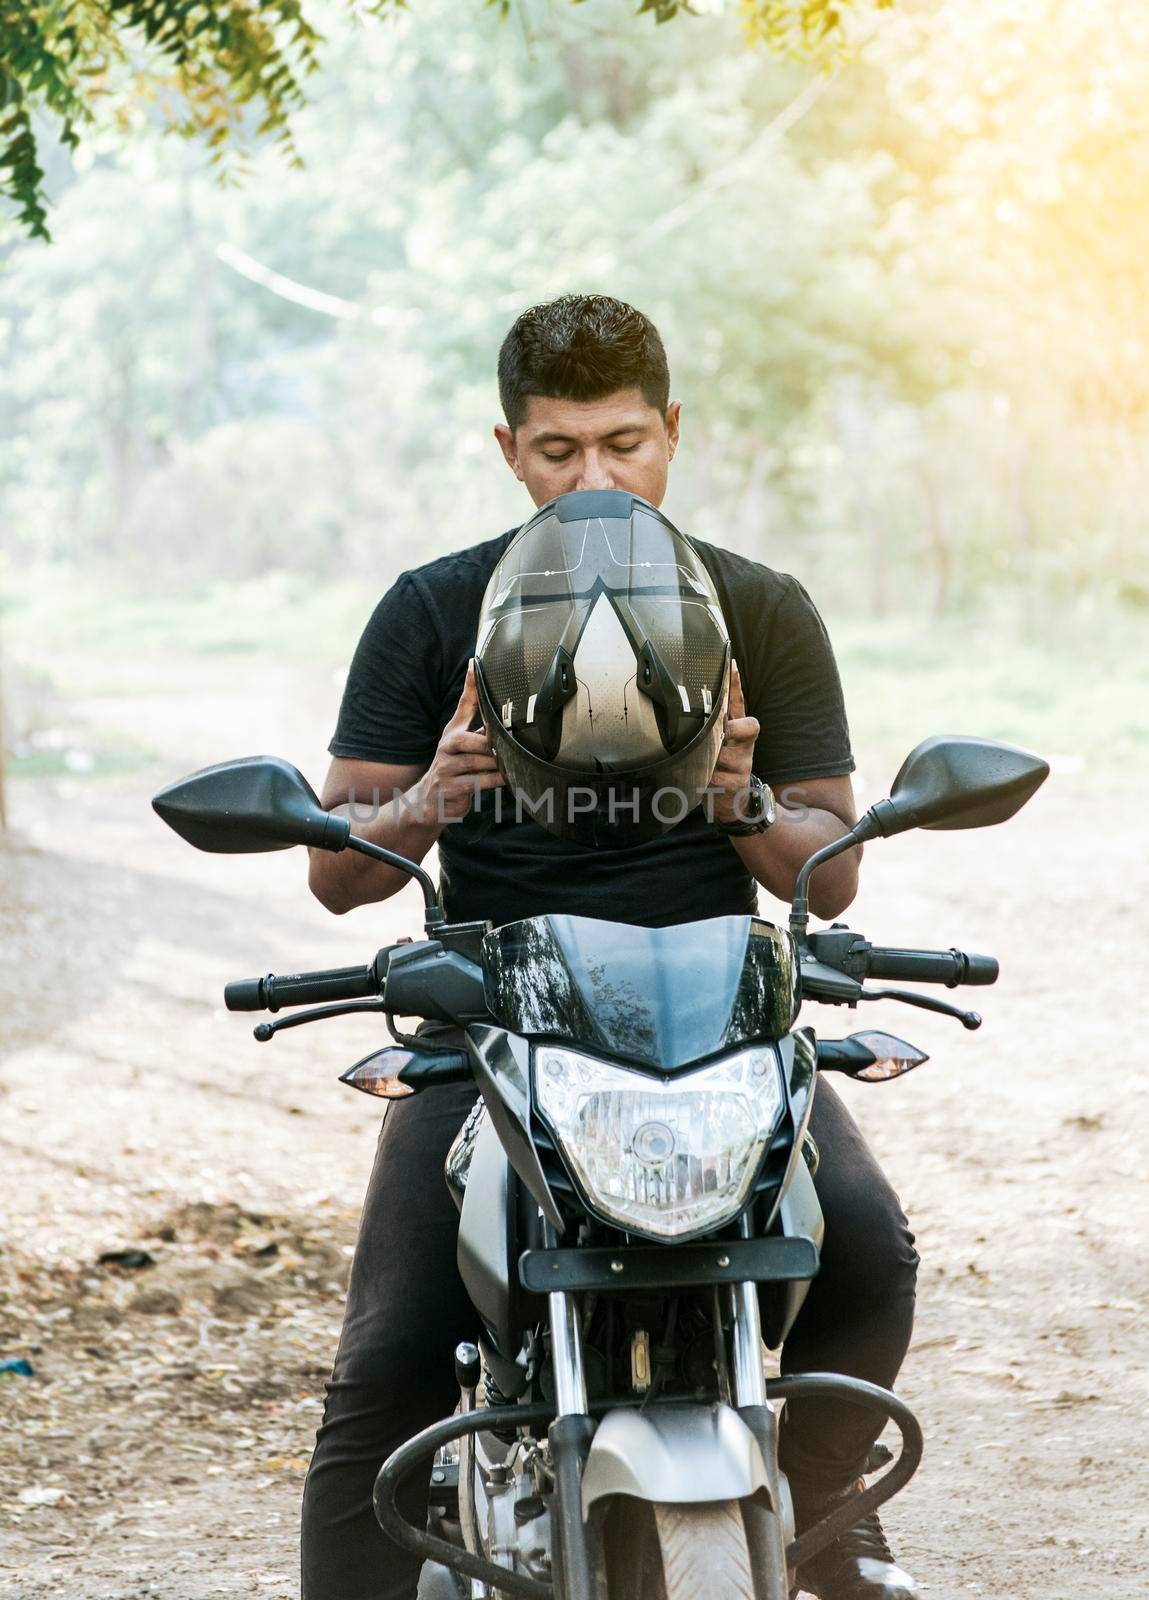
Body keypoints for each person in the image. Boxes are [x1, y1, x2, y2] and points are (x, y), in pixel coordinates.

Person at [302, 294, 920, 1600]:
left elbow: (836, 867)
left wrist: (738, 802)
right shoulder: (432, 610)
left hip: (718, 1017)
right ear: (506, 448)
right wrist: (433, 796)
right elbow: (337, 872)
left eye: (624, 444)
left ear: (673, 432)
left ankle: (821, 1515)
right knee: (389, 1354)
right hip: (494, 1019)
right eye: (557, 450)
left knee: (865, 1249)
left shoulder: (759, 606)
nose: (595, 477)